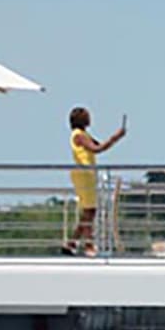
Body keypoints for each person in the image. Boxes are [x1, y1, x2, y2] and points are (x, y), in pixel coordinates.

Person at [65, 106, 127, 256]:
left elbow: (100, 146)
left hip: (87, 174)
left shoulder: (83, 134)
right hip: (83, 174)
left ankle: (71, 243)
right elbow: (95, 149)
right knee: (90, 210)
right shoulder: (79, 135)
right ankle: (88, 245)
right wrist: (115, 138)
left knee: (88, 211)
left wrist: (115, 139)